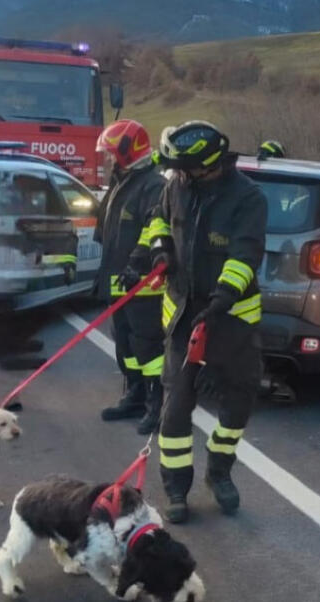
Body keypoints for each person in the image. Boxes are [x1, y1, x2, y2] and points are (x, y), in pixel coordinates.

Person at [129, 121, 267, 523]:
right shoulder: (177, 186)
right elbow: (158, 221)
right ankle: (175, 487)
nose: (178, 174)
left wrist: (223, 298)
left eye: (184, 168)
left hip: (232, 319)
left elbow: (245, 255)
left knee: (238, 402)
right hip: (182, 315)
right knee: (175, 408)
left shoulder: (248, 199)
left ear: (208, 166)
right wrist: (159, 253)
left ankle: (219, 471)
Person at [95, 119, 168, 434]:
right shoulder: (121, 181)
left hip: (144, 284)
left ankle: (157, 406)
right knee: (124, 343)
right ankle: (135, 395)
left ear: (127, 152)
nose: (107, 160)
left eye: (110, 154)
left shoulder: (153, 186)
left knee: (148, 348)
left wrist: (137, 266)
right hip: (118, 278)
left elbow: (155, 229)